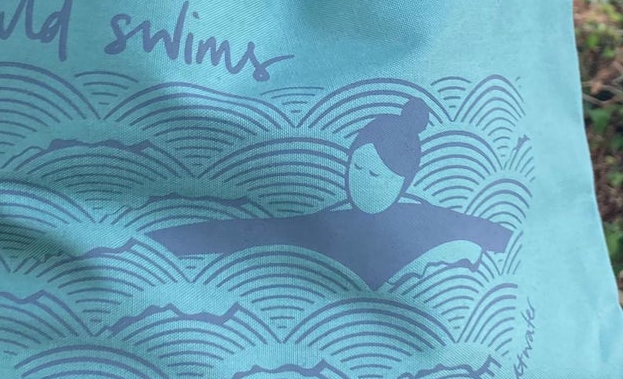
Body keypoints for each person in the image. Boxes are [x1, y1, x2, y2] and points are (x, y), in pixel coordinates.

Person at [149, 99, 510, 290]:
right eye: (357, 168)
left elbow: (498, 236)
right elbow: (257, 230)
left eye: (376, 174)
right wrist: (162, 243)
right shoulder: (329, 217)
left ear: (404, 182)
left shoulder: (434, 221)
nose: (361, 181)